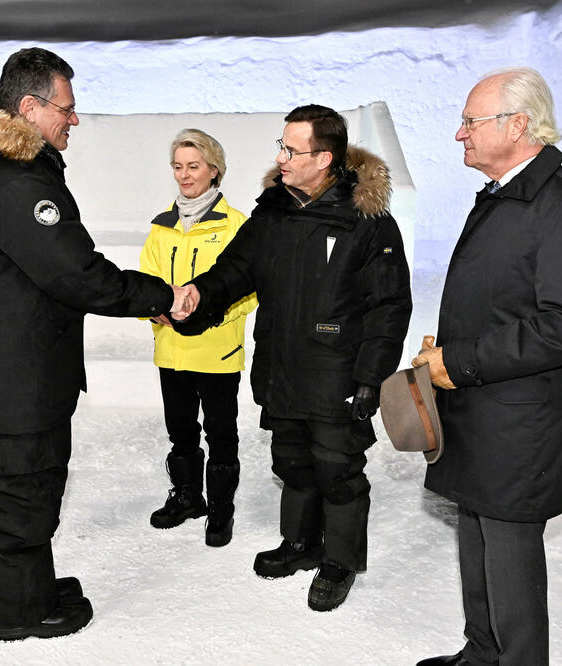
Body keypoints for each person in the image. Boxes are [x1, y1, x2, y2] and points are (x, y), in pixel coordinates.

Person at [0, 47, 190, 642]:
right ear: (29, 107)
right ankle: (19, 612)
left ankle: (28, 587)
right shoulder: (10, 182)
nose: (74, 120)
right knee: (27, 495)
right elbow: (76, 274)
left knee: (26, 491)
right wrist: (162, 296)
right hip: (15, 380)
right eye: (66, 109)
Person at [412, 67, 562, 666]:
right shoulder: (506, 195)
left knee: (509, 559)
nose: (459, 134)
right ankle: (481, 653)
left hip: (520, 423)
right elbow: (505, 300)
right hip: (480, 407)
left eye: (471, 121)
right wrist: (446, 350)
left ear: (518, 124)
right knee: (474, 537)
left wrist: (461, 358)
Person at [175, 105, 412, 612]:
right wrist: (198, 294)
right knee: (292, 460)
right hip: (281, 366)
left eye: (291, 149)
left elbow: (389, 305)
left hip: (336, 371)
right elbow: (236, 269)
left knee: (337, 467)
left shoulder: (366, 222)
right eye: (280, 146)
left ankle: (340, 560)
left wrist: (372, 376)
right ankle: (302, 543)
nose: (280, 158)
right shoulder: (273, 212)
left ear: (324, 158)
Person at [139, 129, 256, 547]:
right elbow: (147, 280)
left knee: (221, 435)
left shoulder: (238, 225)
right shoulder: (161, 226)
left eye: (193, 166)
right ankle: (188, 497)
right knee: (180, 432)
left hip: (216, 352)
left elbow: (251, 290)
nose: (184, 175)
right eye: (178, 166)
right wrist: (153, 311)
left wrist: (211, 316)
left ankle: (221, 511)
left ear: (214, 170)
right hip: (170, 349)